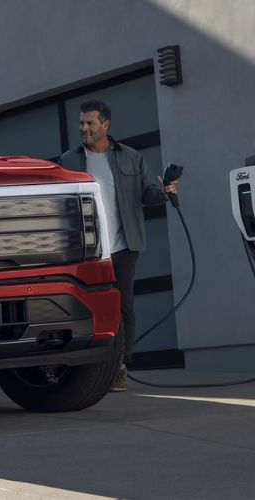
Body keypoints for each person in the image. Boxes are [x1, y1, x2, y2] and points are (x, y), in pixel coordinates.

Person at [58, 100, 178, 392]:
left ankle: (119, 367)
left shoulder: (131, 158)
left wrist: (163, 192)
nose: (83, 128)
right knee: (83, 307)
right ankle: (85, 367)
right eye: (81, 123)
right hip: (87, 252)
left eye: (90, 123)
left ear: (105, 125)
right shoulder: (68, 161)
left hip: (123, 248)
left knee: (123, 307)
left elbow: (147, 194)